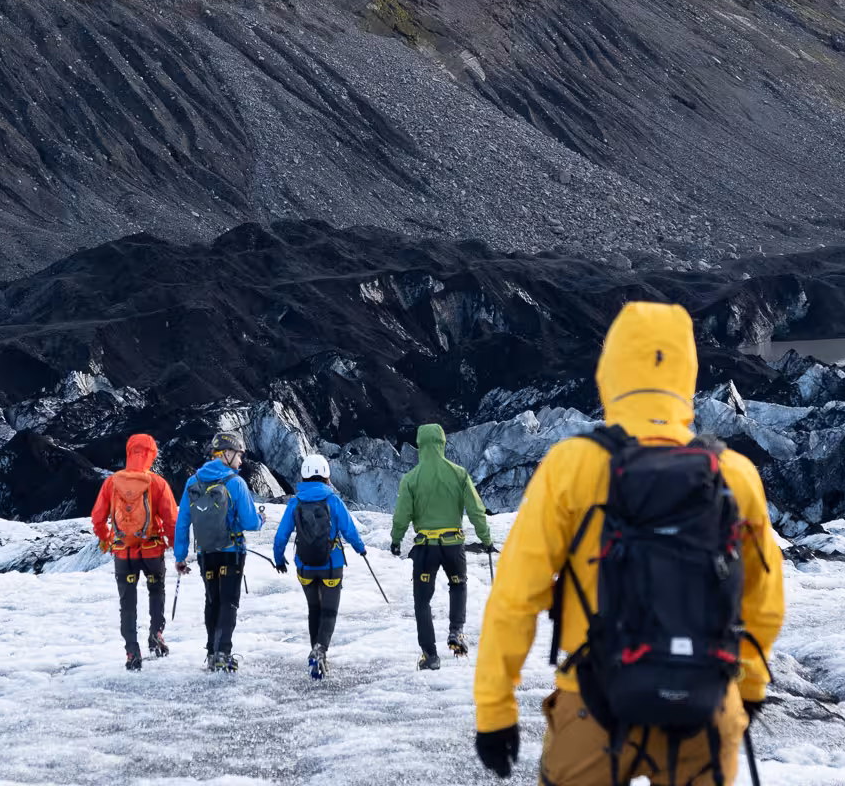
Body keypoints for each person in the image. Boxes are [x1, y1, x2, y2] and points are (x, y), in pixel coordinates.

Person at [472, 301, 786, 786]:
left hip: (592, 706)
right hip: (703, 704)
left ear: (611, 369)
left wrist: (495, 710)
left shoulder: (572, 466)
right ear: (686, 372)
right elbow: (761, 601)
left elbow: (516, 596)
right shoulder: (733, 475)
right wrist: (748, 685)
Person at [390, 422, 493, 669]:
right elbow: (476, 510)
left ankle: (430, 656)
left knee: (422, 601)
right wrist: (486, 539)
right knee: (458, 586)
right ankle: (456, 632)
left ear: (420, 446)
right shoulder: (459, 474)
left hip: (426, 549)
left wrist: (395, 540)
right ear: (442, 444)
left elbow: (402, 515)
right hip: (453, 545)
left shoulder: (411, 479)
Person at [173, 429, 264, 672]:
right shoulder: (235, 483)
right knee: (229, 603)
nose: (241, 460)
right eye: (239, 454)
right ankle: (224, 652)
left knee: (212, 600)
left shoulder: (193, 483)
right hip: (231, 552)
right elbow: (250, 522)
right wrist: (261, 519)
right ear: (226, 454)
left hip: (206, 553)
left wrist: (180, 556)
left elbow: (182, 521)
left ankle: (212, 654)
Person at [271, 453, 368, 680]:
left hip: (304, 566)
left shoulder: (295, 502)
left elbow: (281, 535)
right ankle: (320, 650)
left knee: (314, 608)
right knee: (329, 610)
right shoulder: (333, 500)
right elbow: (348, 529)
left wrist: (279, 559)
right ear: (326, 475)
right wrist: (360, 549)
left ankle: (315, 650)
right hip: (331, 565)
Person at [90, 432, 179, 671]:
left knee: (127, 603)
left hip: (123, 554)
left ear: (129, 453)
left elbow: (98, 518)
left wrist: (107, 539)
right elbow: (172, 520)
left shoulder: (111, 483)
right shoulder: (158, 484)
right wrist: (174, 547)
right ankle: (156, 633)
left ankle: (132, 651)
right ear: (152, 455)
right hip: (152, 551)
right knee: (156, 591)